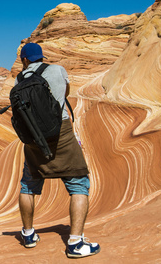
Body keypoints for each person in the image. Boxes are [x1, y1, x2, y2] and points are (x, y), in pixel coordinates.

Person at [16, 43, 100, 258]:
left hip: (33, 136)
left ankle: (28, 235)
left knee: (28, 185)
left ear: (24, 59)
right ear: (41, 57)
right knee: (79, 183)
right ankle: (75, 243)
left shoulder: (20, 78)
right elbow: (65, 93)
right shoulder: (57, 69)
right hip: (60, 131)